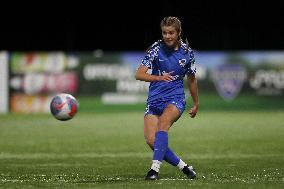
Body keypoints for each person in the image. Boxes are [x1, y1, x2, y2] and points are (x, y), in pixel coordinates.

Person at [135, 16, 199, 180]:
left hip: (175, 98)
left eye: (171, 33)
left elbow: (191, 79)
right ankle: (184, 167)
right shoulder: (155, 49)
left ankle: (154, 170)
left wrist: (196, 103)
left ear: (178, 33)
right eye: (165, 33)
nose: (168, 36)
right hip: (154, 99)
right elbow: (139, 74)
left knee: (163, 123)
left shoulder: (187, 53)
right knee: (151, 140)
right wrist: (158, 78)